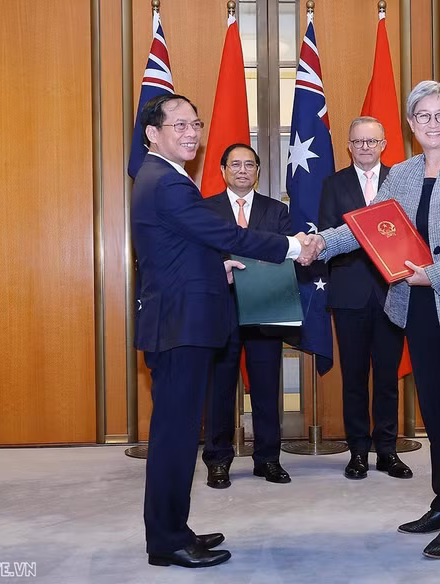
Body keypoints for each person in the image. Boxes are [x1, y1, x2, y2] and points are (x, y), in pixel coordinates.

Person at [302, 81, 440, 560]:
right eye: (423, 116)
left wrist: (432, 275)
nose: (433, 123)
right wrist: (318, 244)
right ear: (411, 125)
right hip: (416, 306)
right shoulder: (404, 173)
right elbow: (366, 226)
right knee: (434, 411)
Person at [131, 94, 313, 569]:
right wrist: (292, 246)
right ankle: (167, 541)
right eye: (180, 125)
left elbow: (187, 250)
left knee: (178, 430)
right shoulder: (167, 182)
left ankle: (173, 528)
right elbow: (226, 235)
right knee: (174, 436)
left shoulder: (163, 177)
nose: (192, 132)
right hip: (180, 325)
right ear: (153, 133)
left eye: (196, 123)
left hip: (182, 318)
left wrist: (219, 269)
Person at [318, 117, 410, 481]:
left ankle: (387, 451)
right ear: (349, 146)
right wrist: (370, 247)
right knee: (354, 377)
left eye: (372, 141)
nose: (366, 148)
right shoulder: (333, 184)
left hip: (394, 292)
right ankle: (357, 451)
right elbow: (327, 236)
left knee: (387, 377)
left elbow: (408, 230)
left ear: (384, 144)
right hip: (349, 293)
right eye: (358, 142)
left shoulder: (402, 179)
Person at [202, 143, 293, 488]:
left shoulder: (276, 211)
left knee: (267, 388)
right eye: (235, 164)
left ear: (257, 171)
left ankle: (268, 459)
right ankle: (218, 460)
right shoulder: (205, 209)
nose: (242, 170)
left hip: (264, 309)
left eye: (249, 165)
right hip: (220, 308)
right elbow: (198, 254)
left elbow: (283, 254)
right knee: (220, 389)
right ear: (222, 170)